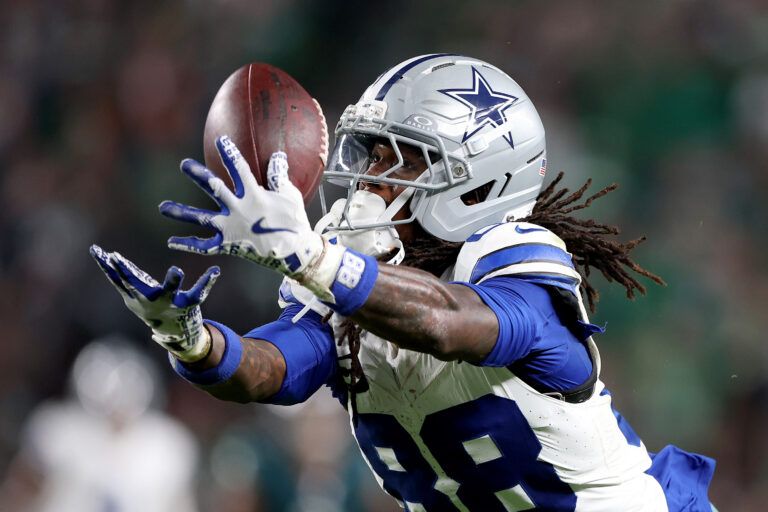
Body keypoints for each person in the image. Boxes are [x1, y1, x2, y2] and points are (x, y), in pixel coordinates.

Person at [90, 54, 716, 511]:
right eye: (372, 154)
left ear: (481, 180)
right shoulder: (342, 278)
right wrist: (195, 343)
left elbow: (451, 324)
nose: (374, 179)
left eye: (406, 159)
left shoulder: (515, 259)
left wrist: (312, 257)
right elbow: (274, 369)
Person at [0, 337, 199, 512]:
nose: (116, 407)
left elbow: (180, 505)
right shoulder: (57, 430)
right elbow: (19, 493)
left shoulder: (167, 444)